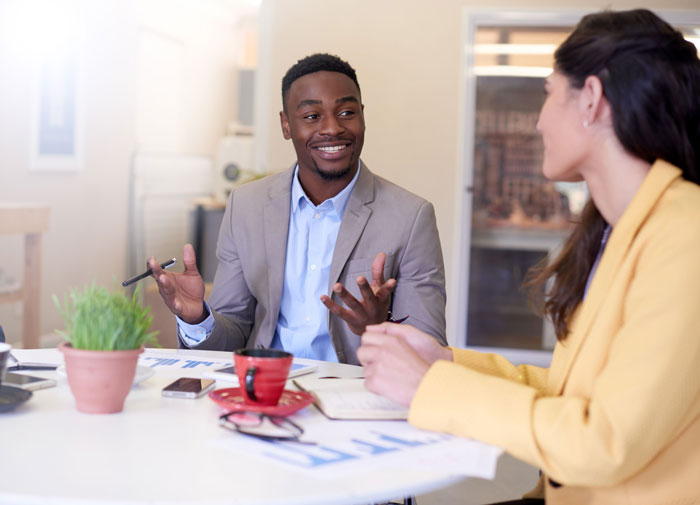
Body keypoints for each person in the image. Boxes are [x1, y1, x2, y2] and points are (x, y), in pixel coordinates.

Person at [358, 9, 700, 505]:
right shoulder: (617, 232)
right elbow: (570, 392)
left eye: (547, 94)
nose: (538, 122)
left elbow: (601, 442)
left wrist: (430, 387)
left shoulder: (685, 237)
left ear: (592, 100)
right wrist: (448, 362)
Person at [149, 53, 446, 364]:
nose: (332, 128)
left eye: (346, 112)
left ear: (362, 116)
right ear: (286, 125)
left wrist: (377, 330)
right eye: (312, 116)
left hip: (354, 396)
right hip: (265, 390)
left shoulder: (411, 217)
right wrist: (198, 318)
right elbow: (232, 336)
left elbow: (431, 354)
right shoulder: (246, 206)